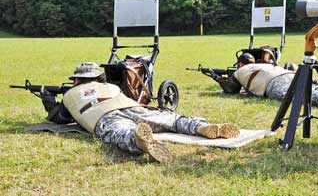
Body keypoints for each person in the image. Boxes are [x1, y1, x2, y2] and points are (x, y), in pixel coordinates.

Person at [40, 62, 240, 163]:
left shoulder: (71, 94)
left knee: (121, 133)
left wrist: (48, 100)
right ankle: (201, 127)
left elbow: (61, 118)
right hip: (131, 106)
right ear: (97, 77)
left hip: (104, 116)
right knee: (171, 119)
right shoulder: (110, 86)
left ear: (76, 80)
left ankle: (138, 141)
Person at [211, 53, 318, 107]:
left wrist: (218, 79)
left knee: (293, 94)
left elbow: (231, 89)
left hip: (272, 82)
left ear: (240, 64)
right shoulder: (261, 65)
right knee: (309, 87)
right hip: (287, 73)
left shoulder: (240, 71)